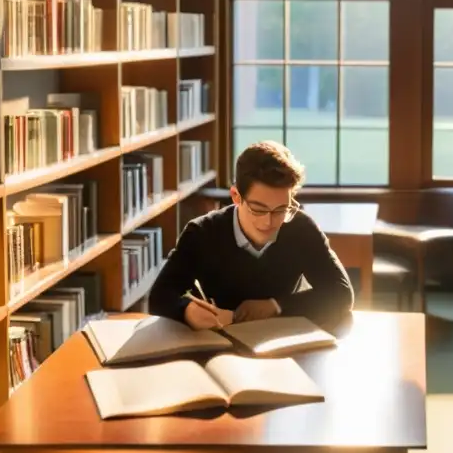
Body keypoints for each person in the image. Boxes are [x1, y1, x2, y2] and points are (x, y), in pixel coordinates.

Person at [148, 140, 354, 332]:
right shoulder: (202, 233)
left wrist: (276, 306)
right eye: (258, 209)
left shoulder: (301, 227)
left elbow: (341, 293)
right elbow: (160, 296)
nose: (269, 222)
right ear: (236, 197)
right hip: (221, 339)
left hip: (281, 339)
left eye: (281, 209)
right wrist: (186, 310)